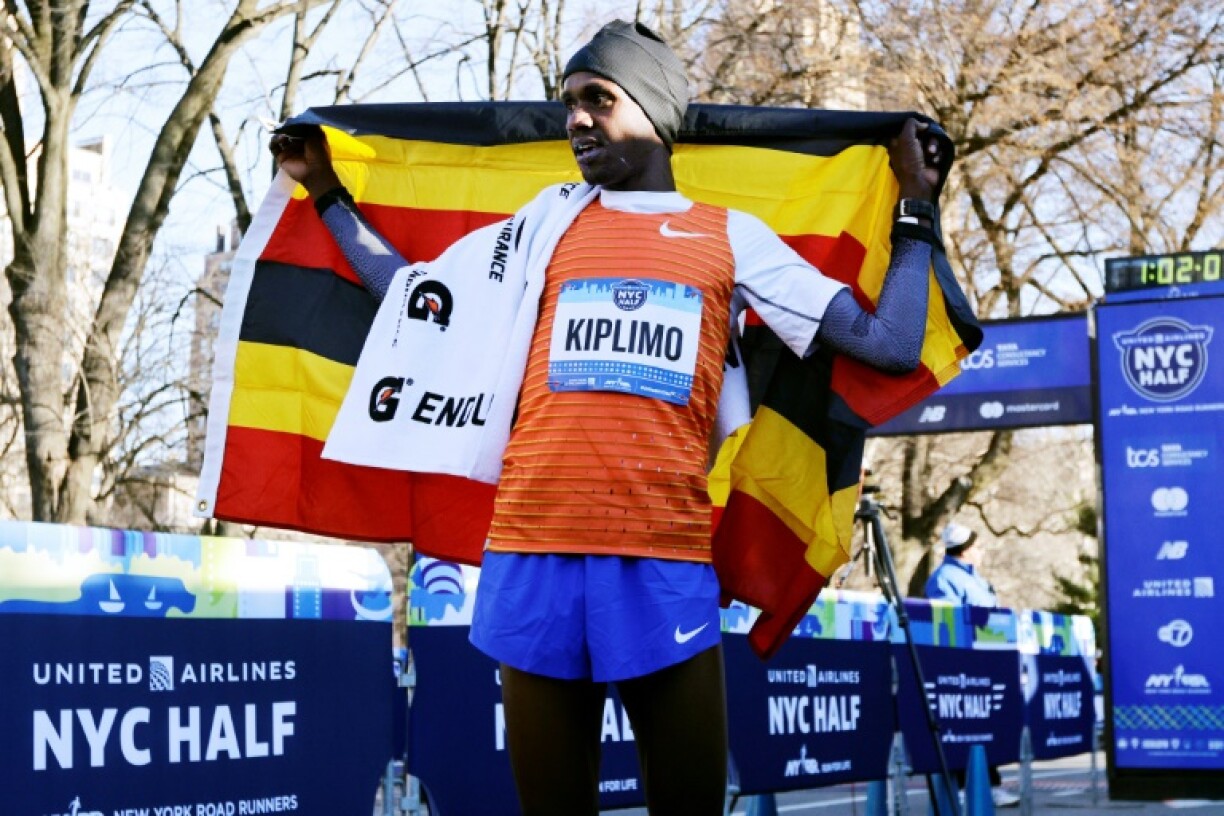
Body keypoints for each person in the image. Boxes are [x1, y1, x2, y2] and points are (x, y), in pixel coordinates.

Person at [273, 20, 943, 816]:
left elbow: (893, 344)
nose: (577, 121)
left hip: (662, 561)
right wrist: (325, 196)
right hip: (532, 560)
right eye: (568, 105)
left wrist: (915, 210)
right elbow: (415, 298)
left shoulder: (730, 236)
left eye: (598, 99)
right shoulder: (542, 228)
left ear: (655, 113)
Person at [925, 522, 1021, 808]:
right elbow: (950, 623)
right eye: (977, 546)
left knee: (984, 727)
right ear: (966, 550)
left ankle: (988, 784)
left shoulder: (974, 577)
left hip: (986, 661)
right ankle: (967, 786)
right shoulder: (943, 579)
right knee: (962, 726)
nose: (981, 551)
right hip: (961, 666)